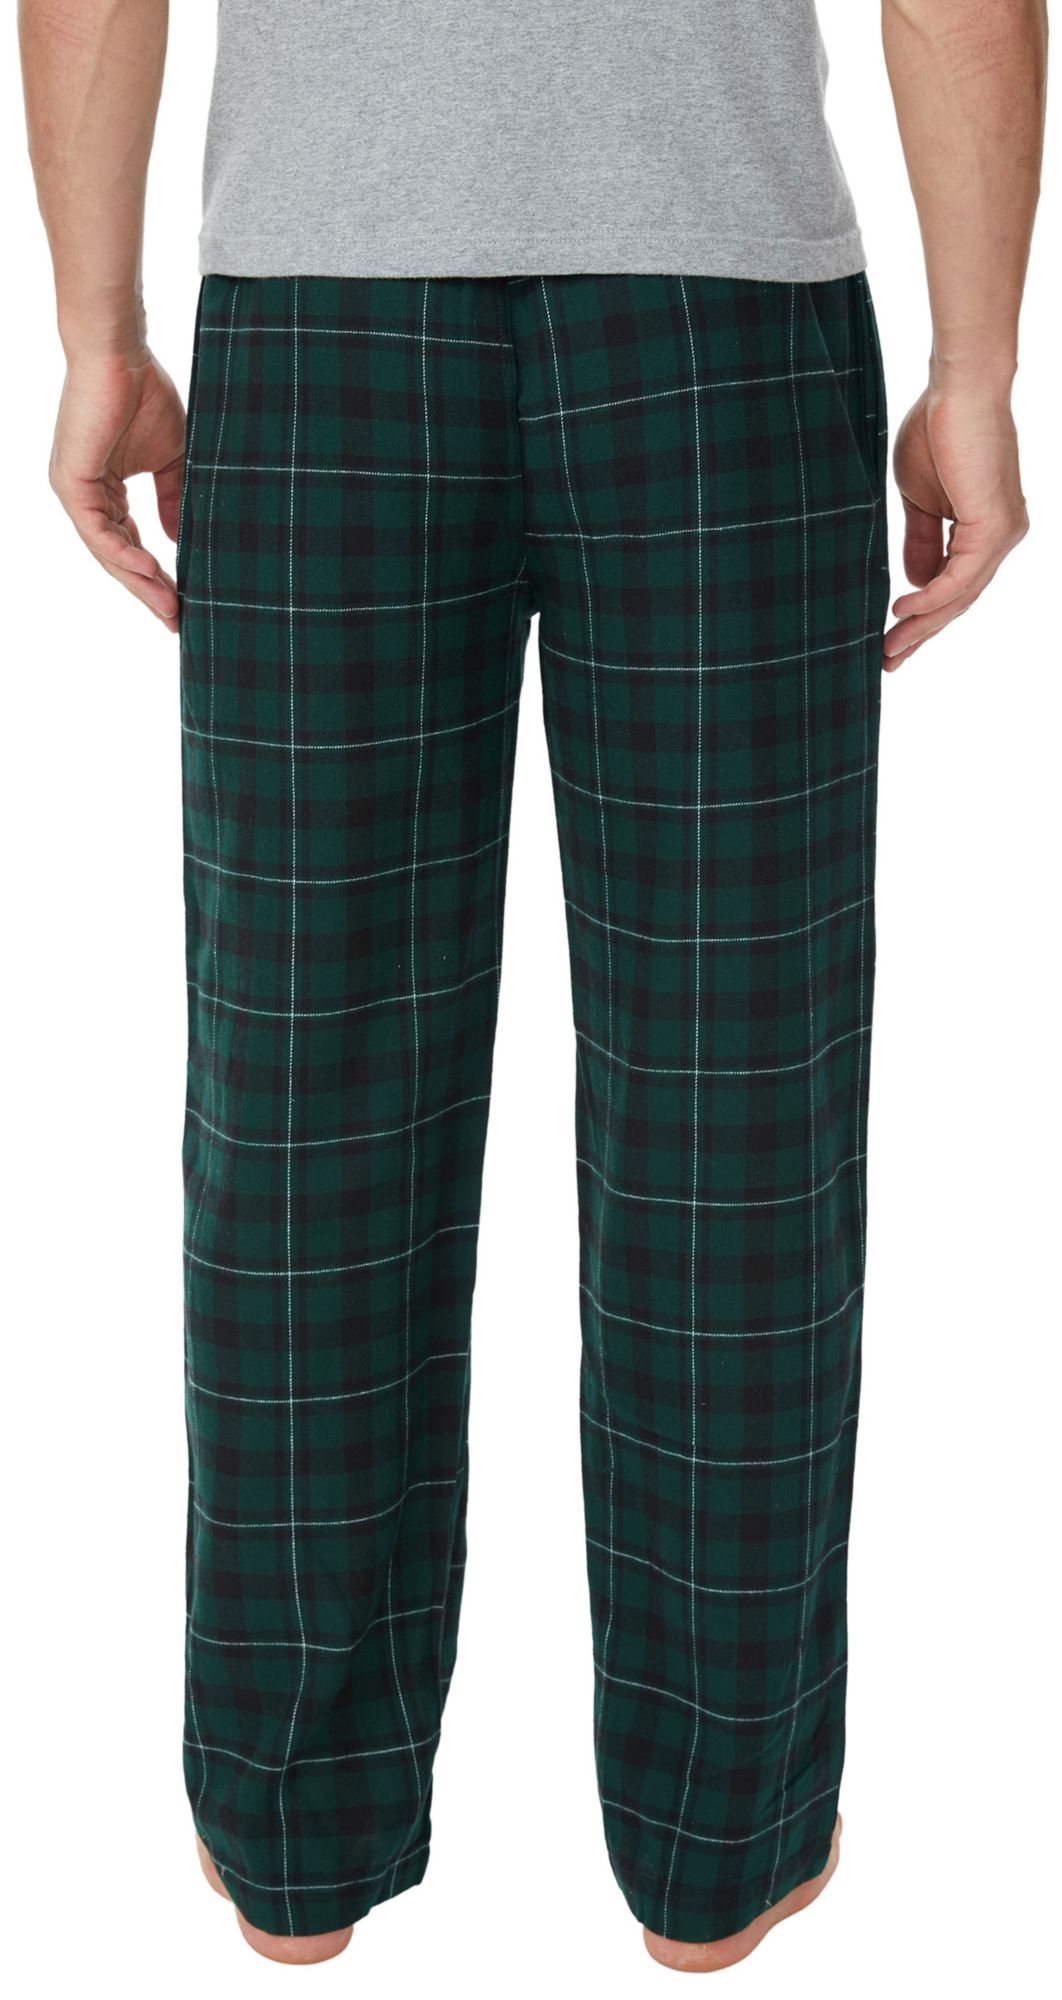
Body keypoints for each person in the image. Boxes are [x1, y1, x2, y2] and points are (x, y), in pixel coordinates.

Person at [19, 0, 1044, 1973]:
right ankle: (720, 1846)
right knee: (735, 1120)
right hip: (721, 327)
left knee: (303, 1105)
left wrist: (97, 333)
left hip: (322, 323)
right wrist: (975, 367)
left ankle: (297, 1835)